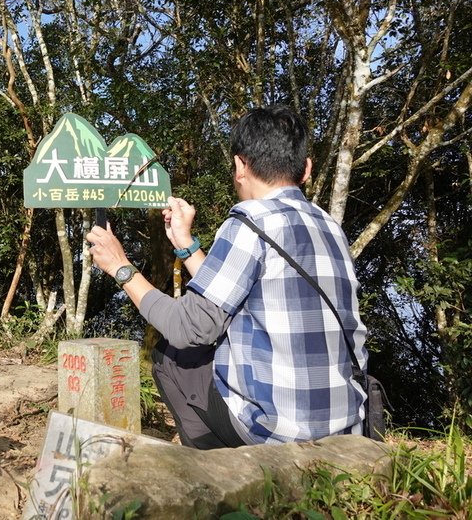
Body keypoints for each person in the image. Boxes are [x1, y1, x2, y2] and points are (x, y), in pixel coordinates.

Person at [86, 105, 368, 449]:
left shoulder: (250, 221)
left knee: (173, 358)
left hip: (277, 433)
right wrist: (186, 244)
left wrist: (120, 266)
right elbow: (229, 293)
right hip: (345, 427)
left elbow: (189, 328)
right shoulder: (330, 226)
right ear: (306, 169)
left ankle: (219, 472)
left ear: (239, 166)